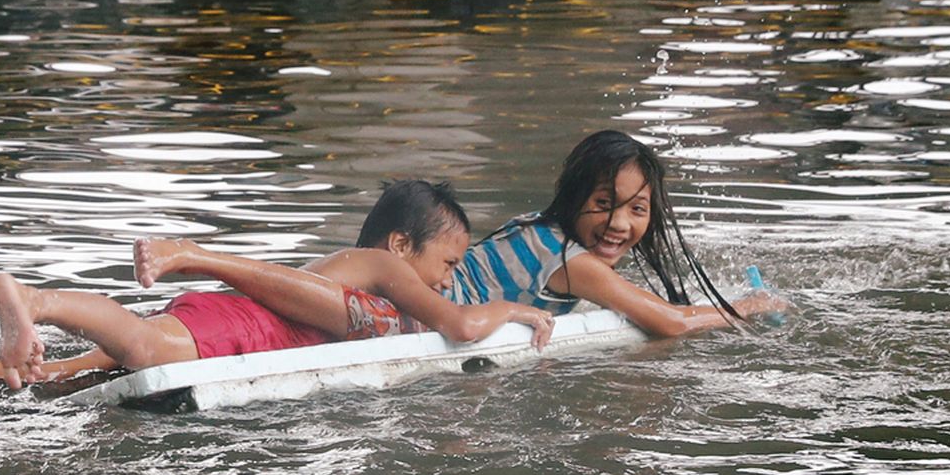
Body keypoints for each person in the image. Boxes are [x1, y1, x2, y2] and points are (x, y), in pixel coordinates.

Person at [0, 180, 553, 403]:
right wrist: (520, 309)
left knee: (45, 378)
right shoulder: (380, 270)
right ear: (400, 245)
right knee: (139, 341)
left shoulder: (360, 275)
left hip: (228, 322)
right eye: (448, 260)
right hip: (241, 328)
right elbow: (461, 325)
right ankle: (31, 299)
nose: (449, 276)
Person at [140, 131, 788, 341]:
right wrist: (744, 308)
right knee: (271, 307)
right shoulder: (574, 263)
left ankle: (111, 349)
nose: (620, 223)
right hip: (418, 306)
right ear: (574, 200)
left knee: (258, 311)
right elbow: (668, 323)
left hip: (408, 289)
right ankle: (196, 258)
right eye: (603, 205)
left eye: (637, 210)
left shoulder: (535, 230)